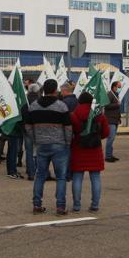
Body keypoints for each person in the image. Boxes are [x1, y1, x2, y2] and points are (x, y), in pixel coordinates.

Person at [26, 79, 73, 215]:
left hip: (41, 145)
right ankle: (60, 207)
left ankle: (37, 205)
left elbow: (28, 127)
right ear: (55, 90)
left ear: (44, 90)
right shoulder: (62, 106)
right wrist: (67, 142)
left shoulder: (33, 106)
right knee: (61, 177)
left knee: (40, 175)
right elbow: (68, 127)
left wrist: (35, 138)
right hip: (59, 145)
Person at [69, 92, 109, 211]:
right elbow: (106, 133)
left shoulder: (74, 114)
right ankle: (95, 205)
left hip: (78, 149)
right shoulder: (99, 115)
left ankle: (76, 206)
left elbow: (71, 132)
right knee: (95, 177)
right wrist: (96, 137)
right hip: (95, 149)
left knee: (77, 177)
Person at [103, 81, 122, 163]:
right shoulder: (110, 94)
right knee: (110, 138)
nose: (120, 88)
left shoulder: (116, 94)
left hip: (115, 119)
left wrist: (119, 118)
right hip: (110, 120)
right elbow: (106, 105)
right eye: (119, 87)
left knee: (112, 138)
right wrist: (117, 105)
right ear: (114, 87)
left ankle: (110, 154)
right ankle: (108, 156)